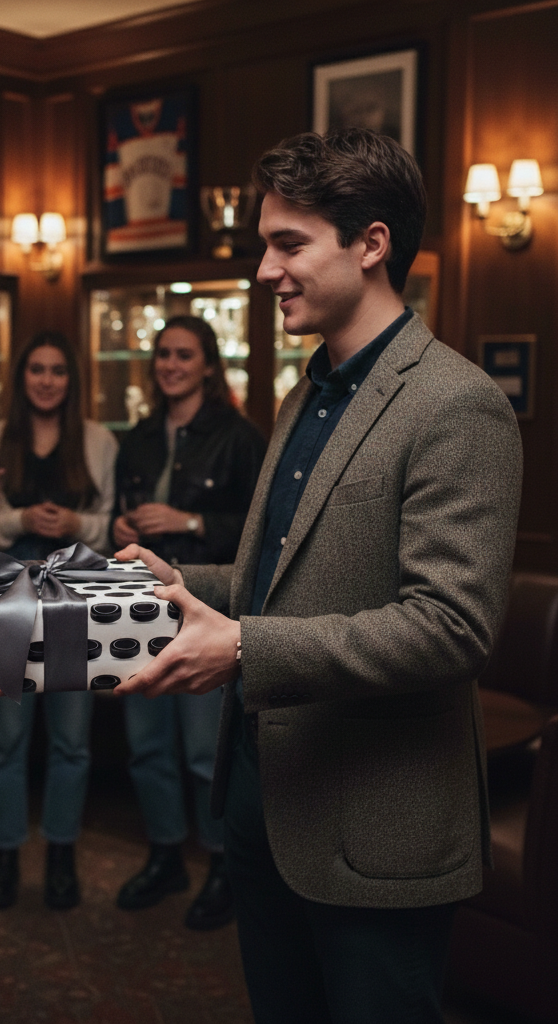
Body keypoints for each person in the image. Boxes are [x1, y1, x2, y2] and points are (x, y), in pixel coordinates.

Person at [115, 128, 523, 1024]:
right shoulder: (306, 392)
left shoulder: (456, 404)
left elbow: (451, 626)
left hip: (376, 823)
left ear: (371, 244)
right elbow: (283, 576)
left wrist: (242, 648)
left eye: (287, 243)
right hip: (265, 801)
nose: (265, 271)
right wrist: (178, 581)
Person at [111, 315, 265, 929]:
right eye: (163, 354)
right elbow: (123, 517)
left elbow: (260, 538)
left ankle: (223, 863)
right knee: (147, 747)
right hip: (136, 609)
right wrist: (121, 529)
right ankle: (165, 853)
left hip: (203, 612)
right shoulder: (140, 436)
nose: (171, 365)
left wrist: (190, 523)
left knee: (206, 752)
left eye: (184, 355)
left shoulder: (240, 436)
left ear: (207, 364)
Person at [0, 331, 119, 910]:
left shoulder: (100, 440)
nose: (48, 380)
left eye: (58, 370)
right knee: (5, 739)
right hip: (7, 600)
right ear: (22, 377)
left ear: (70, 380)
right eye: (37, 370)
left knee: (72, 740)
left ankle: (61, 853)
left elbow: (112, 525)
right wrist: (19, 519)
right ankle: (3, 853)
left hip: (74, 602)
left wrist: (76, 526)